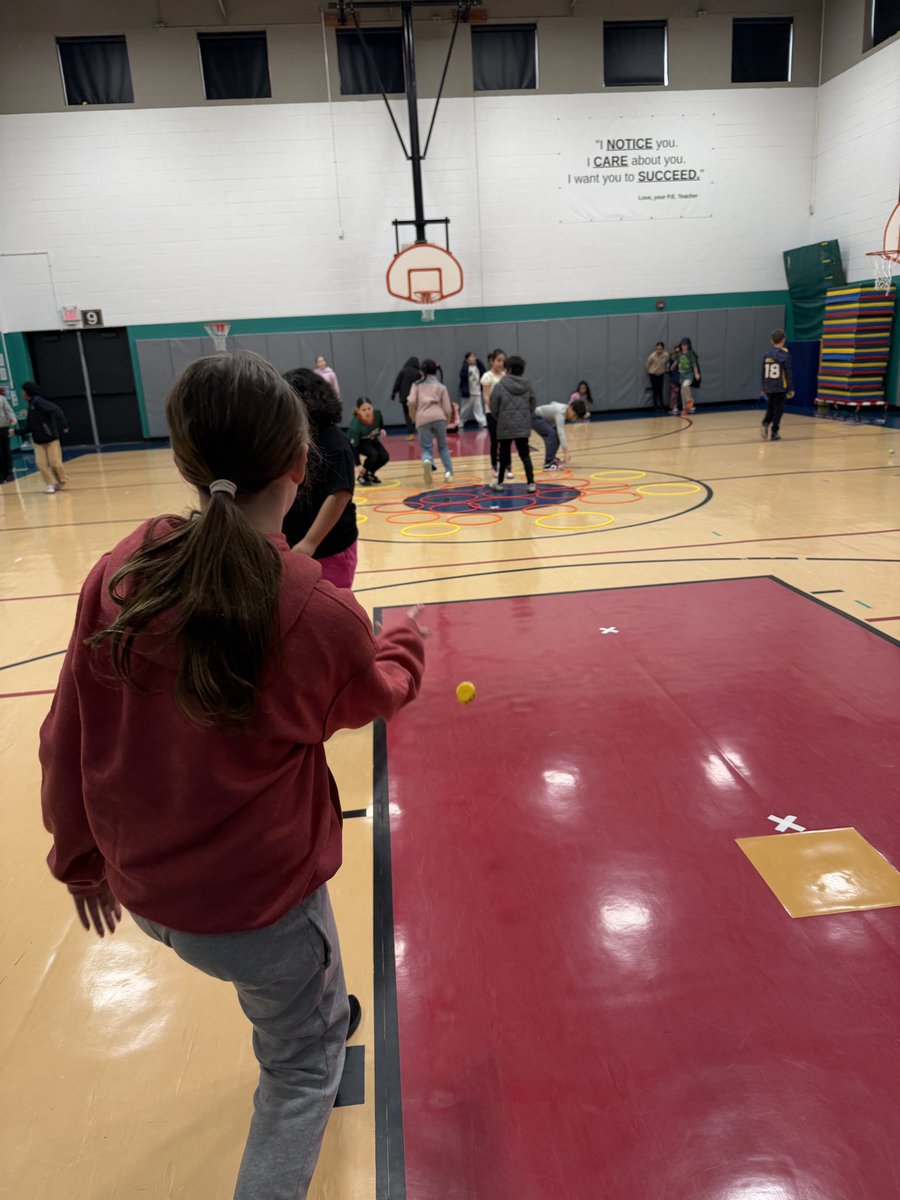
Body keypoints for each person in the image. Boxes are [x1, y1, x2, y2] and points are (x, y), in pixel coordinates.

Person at [39, 351, 426, 1200]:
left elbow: (64, 729)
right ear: (298, 468)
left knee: (290, 1002)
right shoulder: (312, 609)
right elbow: (372, 695)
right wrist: (404, 647)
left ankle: (316, 1008)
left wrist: (77, 859)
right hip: (260, 913)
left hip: (147, 898)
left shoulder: (122, 568)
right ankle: (316, 1027)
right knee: (299, 1071)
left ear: (184, 460)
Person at [282, 368, 359, 589]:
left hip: (329, 548)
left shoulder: (334, 442)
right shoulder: (294, 440)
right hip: (295, 547)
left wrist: (310, 542)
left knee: (330, 611)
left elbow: (340, 494)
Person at [489, 355, 536, 494]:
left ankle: (499, 483)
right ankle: (531, 483)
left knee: (503, 455)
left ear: (508, 369)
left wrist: (501, 417)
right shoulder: (528, 385)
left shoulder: (500, 385)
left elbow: (493, 406)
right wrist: (525, 416)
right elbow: (533, 404)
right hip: (523, 425)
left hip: (505, 426)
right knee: (525, 454)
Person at [408, 359, 454, 485]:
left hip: (422, 418)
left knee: (426, 448)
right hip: (439, 417)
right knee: (443, 447)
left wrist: (414, 416)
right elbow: (447, 408)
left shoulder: (416, 385)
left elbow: (411, 401)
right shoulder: (441, 387)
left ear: (422, 370)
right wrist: (447, 421)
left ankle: (428, 461)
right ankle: (449, 472)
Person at [24, 380, 69, 493]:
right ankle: (49, 484)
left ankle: (62, 479)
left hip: (50, 438)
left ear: (27, 392)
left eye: (23, 391)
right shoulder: (30, 406)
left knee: (55, 463)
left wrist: (64, 424)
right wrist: (17, 432)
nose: (22, 394)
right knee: (41, 464)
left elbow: (56, 409)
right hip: (38, 441)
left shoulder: (38, 401)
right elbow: (30, 425)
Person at [481, 349, 511, 480]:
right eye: (498, 360)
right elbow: (486, 395)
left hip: (505, 413)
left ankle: (508, 466)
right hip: (492, 413)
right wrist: (494, 409)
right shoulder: (487, 377)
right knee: (495, 441)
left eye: (503, 361)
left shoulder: (505, 376)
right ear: (492, 361)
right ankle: (494, 466)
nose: (501, 363)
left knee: (506, 441)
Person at [533, 398, 586, 470]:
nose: (574, 418)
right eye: (574, 415)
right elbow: (561, 433)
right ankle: (548, 464)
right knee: (552, 434)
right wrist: (566, 453)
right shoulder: (561, 413)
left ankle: (551, 458)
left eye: (576, 417)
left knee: (554, 434)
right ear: (570, 407)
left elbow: (553, 402)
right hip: (534, 417)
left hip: (539, 418)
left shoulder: (564, 408)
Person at [760, 329, 794, 442]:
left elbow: (763, 372)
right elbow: (788, 373)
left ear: (771, 341)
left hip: (769, 385)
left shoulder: (766, 355)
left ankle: (765, 423)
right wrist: (791, 388)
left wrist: (763, 387)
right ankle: (774, 432)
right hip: (780, 386)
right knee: (778, 410)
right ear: (783, 340)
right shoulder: (785, 355)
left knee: (770, 407)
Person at [348, 397, 390, 484]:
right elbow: (354, 447)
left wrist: (382, 429)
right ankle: (362, 476)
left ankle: (370, 473)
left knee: (385, 457)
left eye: (369, 409)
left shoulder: (377, 413)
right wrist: (358, 464)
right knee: (373, 454)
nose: (367, 412)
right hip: (360, 443)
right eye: (363, 410)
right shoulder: (355, 426)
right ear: (358, 411)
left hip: (373, 440)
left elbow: (380, 421)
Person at [391, 357, 422, 441]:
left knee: (407, 416)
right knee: (418, 415)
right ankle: (421, 433)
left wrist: (393, 393)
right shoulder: (418, 373)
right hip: (415, 398)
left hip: (404, 397)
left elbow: (397, 383)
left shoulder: (403, 371)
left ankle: (411, 434)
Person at [458, 352, 487, 428]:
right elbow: (462, 376)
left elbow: (483, 371)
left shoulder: (478, 367)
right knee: (465, 408)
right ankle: (461, 421)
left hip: (477, 392)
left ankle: (482, 422)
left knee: (478, 408)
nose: (473, 358)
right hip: (468, 392)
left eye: (474, 356)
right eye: (471, 357)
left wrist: (478, 361)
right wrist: (466, 364)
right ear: (467, 359)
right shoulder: (465, 368)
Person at [675, 338, 701, 415]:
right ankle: (685, 408)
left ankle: (690, 400)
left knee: (685, 386)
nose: (684, 346)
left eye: (685, 345)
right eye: (683, 345)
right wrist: (675, 352)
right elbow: (674, 359)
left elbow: (694, 365)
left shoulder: (690, 353)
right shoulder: (679, 353)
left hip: (689, 374)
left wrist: (696, 374)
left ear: (688, 346)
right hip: (681, 375)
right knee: (682, 391)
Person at [645, 343, 669, 412]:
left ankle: (662, 406)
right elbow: (647, 364)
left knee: (660, 391)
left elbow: (668, 362)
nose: (658, 350)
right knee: (655, 391)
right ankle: (655, 407)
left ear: (663, 349)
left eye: (660, 349)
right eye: (657, 349)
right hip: (653, 374)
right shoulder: (652, 356)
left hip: (661, 374)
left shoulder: (666, 355)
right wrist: (650, 371)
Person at [0, 387, 16, 483]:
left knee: (6, 450)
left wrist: (13, 419)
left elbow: (8, 410)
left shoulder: (2, 399)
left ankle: (9, 472)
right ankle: (1, 474)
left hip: (3, 427)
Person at [667, 345, 682, 414]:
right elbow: (668, 368)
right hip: (675, 378)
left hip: (679, 377)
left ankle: (675, 407)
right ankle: (674, 407)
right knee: (674, 393)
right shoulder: (672, 357)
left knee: (677, 393)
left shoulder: (682, 357)